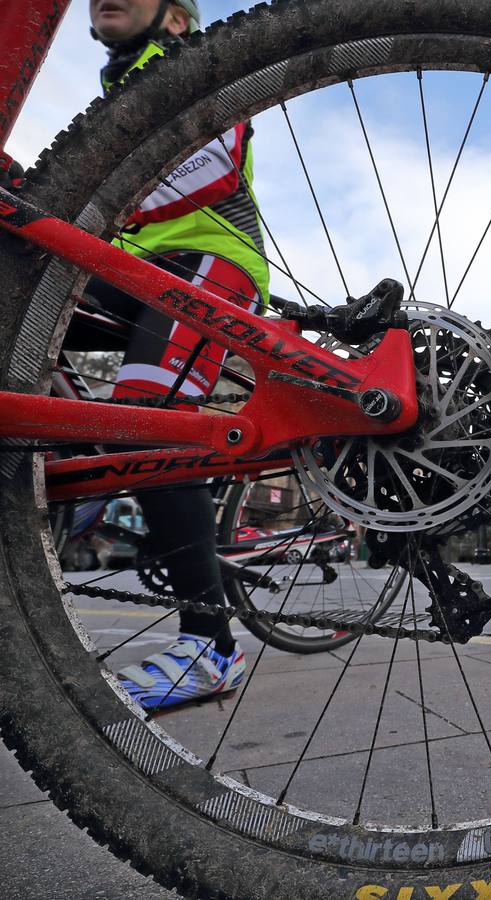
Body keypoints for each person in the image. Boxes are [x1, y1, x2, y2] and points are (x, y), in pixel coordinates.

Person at [81, 0, 269, 710]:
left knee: (147, 419)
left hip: (209, 262)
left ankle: (212, 645)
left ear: (179, 21)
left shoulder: (186, 69)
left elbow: (215, 161)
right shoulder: (108, 93)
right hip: (127, 271)